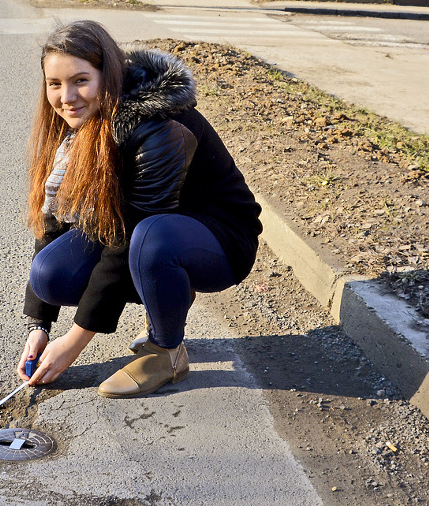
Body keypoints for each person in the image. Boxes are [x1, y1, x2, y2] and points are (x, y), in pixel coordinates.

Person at [16, 20, 262, 398]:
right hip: (150, 228)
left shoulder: (158, 127)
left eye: (81, 80)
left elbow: (132, 230)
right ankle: (166, 289)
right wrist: (40, 324)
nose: (67, 97)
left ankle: (166, 352)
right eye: (55, 84)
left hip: (219, 238)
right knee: (50, 273)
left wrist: (75, 341)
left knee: (151, 241)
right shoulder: (75, 128)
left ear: (109, 75)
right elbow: (53, 224)